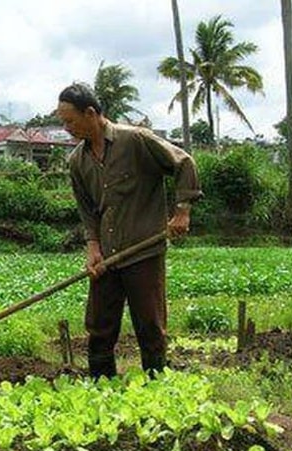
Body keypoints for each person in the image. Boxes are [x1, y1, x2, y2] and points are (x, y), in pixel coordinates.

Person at [56, 82, 201, 378]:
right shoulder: (77, 162)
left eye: (70, 121)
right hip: (107, 255)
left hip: (143, 248)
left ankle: (156, 384)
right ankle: (100, 384)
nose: (66, 128)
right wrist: (93, 248)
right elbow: (88, 210)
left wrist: (182, 210)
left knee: (149, 323)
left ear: (91, 113)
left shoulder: (135, 140)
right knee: (99, 324)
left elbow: (184, 163)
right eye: (63, 122)